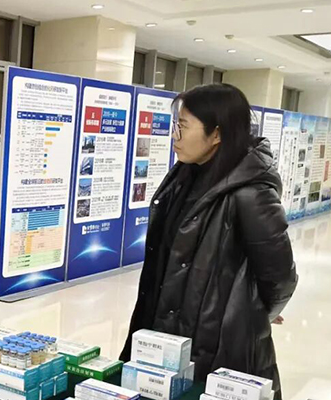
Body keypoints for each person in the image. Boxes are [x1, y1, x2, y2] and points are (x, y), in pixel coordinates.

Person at [120, 84, 297, 399]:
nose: (175, 135)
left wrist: (249, 312)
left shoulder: (251, 193)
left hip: (219, 347)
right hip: (166, 337)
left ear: (217, 134)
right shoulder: (184, 178)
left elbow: (280, 277)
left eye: (183, 126)